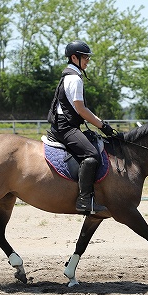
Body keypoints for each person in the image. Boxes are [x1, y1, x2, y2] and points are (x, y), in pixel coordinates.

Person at [47, 40, 114, 214]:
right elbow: (81, 109)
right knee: (91, 155)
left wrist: (101, 124)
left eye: (88, 58)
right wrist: (103, 126)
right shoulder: (74, 79)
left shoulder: (70, 76)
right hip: (66, 127)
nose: (88, 61)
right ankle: (84, 200)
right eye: (85, 57)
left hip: (66, 125)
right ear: (74, 57)